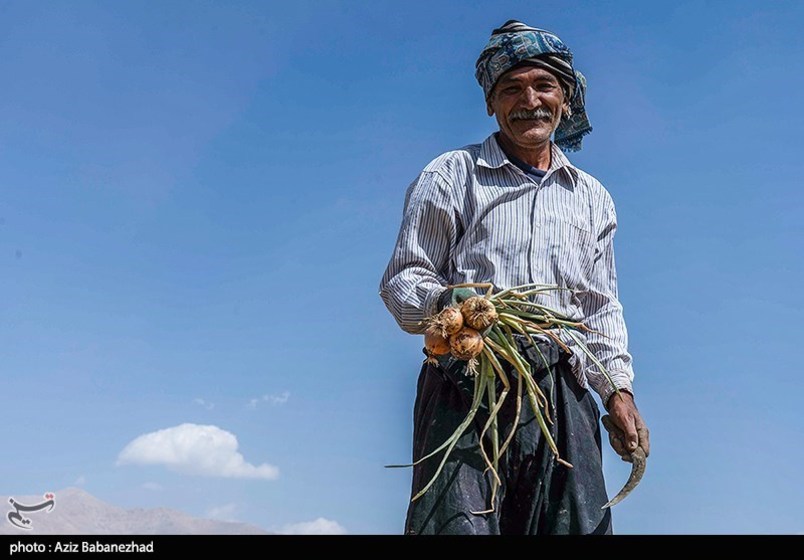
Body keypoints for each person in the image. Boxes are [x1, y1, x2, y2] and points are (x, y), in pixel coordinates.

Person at [379, 20, 650, 535]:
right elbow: (402, 280)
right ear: (490, 103)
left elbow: (599, 308)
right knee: (458, 526)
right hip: (467, 380)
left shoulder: (591, 197)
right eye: (511, 89)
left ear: (565, 99)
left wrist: (617, 390)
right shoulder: (452, 175)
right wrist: (447, 300)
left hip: (560, 388)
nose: (530, 101)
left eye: (543, 86)